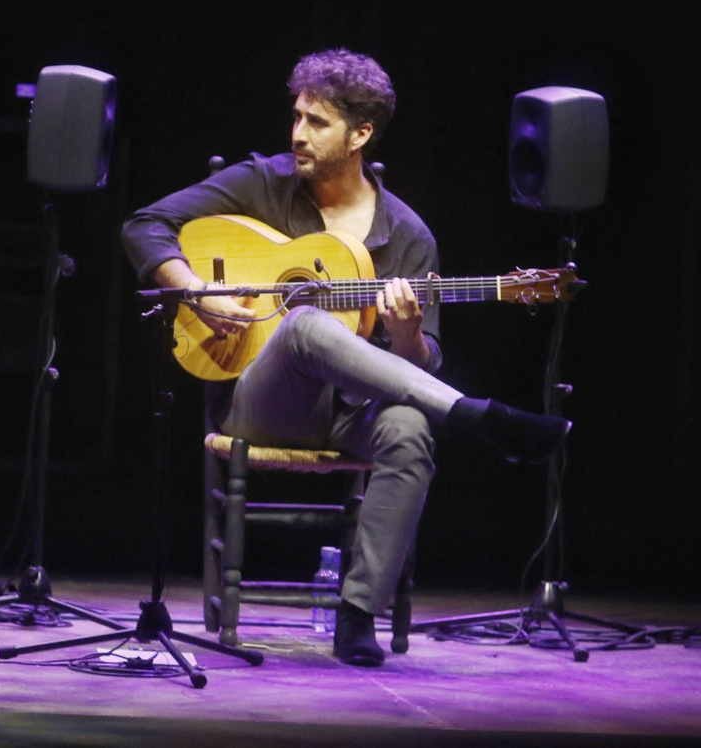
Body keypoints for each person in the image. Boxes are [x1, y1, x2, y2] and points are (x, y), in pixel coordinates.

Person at [120, 48, 569, 667]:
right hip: (260, 400)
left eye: (317, 122)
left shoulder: (407, 235)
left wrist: (407, 332)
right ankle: (474, 415)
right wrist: (193, 288)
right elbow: (146, 224)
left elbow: (422, 361)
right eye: (298, 116)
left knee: (412, 428)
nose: (297, 133)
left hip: (352, 415)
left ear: (361, 134)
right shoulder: (263, 182)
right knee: (304, 322)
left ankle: (358, 615)